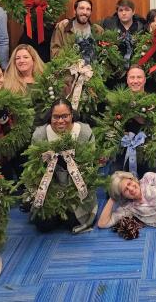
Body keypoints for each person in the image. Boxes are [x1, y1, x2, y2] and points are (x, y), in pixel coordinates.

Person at [29, 98, 97, 232]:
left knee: (73, 222)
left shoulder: (84, 132)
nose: (60, 121)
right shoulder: (40, 135)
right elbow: (33, 168)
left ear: (72, 115)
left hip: (77, 188)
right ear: (50, 116)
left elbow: (90, 165)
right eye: (56, 117)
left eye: (65, 116)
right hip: (50, 187)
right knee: (44, 225)